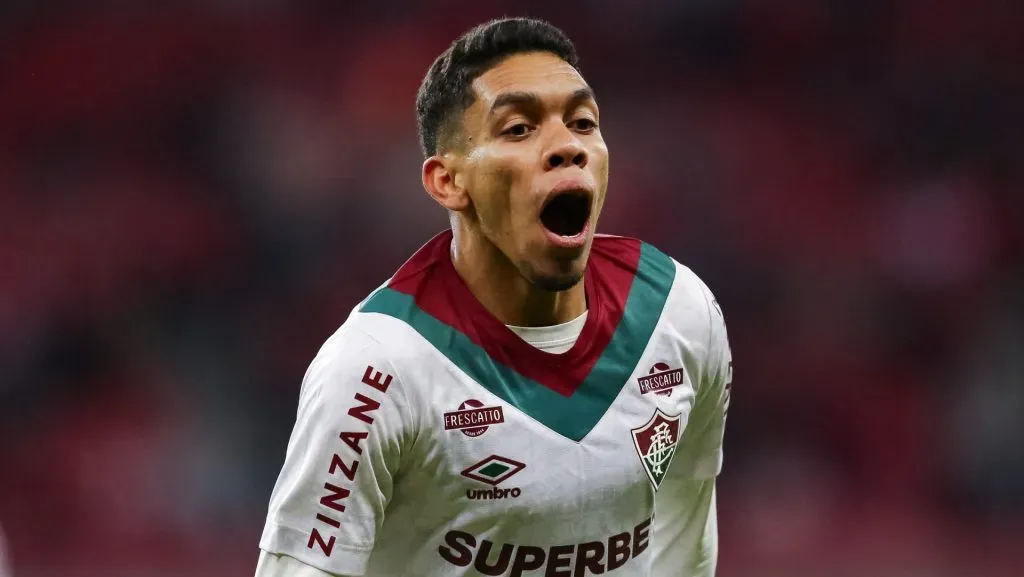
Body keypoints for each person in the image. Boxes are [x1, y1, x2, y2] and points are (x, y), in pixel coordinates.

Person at [255, 17, 732, 577]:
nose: (567, 147)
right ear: (447, 183)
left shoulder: (677, 311)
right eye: (518, 129)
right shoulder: (377, 368)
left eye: (582, 122)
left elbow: (684, 530)